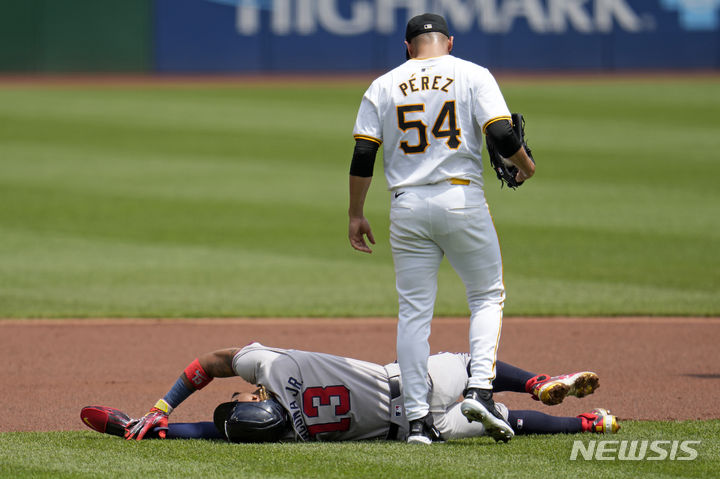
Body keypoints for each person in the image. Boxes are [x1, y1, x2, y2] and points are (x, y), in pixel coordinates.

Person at [347, 13, 536, 443]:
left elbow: (363, 155)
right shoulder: (472, 73)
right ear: (448, 42)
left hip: (406, 205)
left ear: (408, 47)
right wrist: (526, 167)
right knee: (487, 295)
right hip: (461, 199)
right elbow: (504, 135)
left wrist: (356, 215)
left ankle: (417, 422)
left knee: (414, 313)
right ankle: (480, 390)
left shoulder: (383, 84)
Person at [81, 342, 618, 443]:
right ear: (257, 398)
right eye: (240, 401)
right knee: (476, 367)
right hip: (409, 380)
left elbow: (208, 432)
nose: (239, 399)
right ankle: (539, 382)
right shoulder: (276, 365)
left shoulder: (292, 436)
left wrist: (149, 426)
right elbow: (210, 363)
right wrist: (162, 405)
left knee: (500, 419)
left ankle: (592, 424)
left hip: (413, 428)